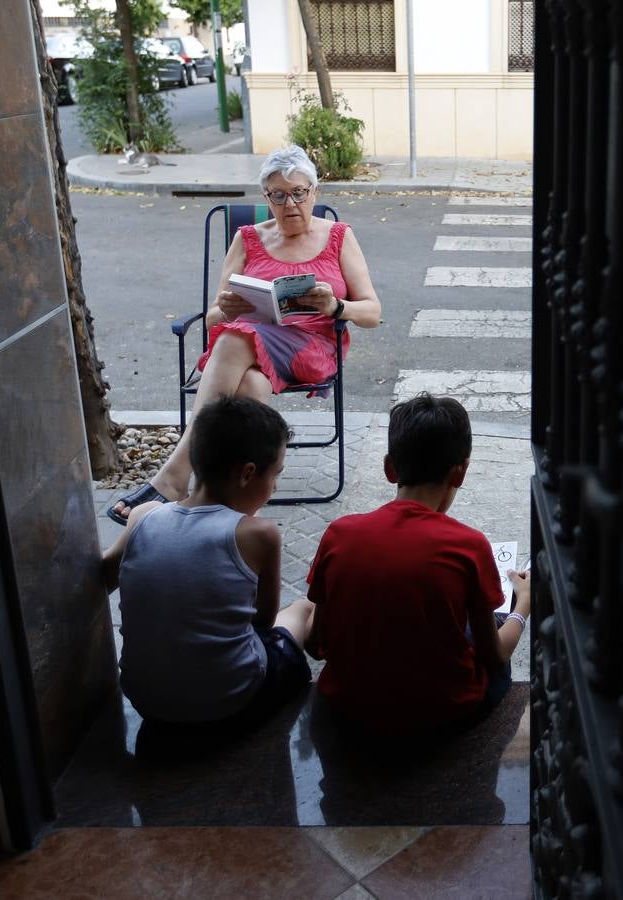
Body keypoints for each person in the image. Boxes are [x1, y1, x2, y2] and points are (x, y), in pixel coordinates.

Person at [109, 144, 383, 523]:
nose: (290, 204)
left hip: (312, 346)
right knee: (249, 388)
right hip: (252, 349)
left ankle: (176, 478)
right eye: (279, 195)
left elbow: (372, 312)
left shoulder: (338, 236)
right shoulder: (247, 238)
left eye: (299, 193)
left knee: (234, 338)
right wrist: (228, 308)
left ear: (314, 192)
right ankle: (225, 503)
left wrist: (335, 306)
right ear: (266, 197)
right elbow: (213, 316)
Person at [304, 393, 531, 737]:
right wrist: (524, 604)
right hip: (445, 714)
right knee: (498, 624)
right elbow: (496, 656)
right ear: (460, 472)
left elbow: (315, 643)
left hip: (348, 709)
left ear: (389, 468)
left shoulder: (339, 534)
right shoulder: (468, 546)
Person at [100, 396, 314, 731]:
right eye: (275, 476)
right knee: (302, 611)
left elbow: (104, 577)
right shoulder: (260, 534)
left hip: (146, 702)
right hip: (232, 703)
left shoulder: (142, 517)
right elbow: (263, 621)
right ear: (247, 474)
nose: (273, 489)